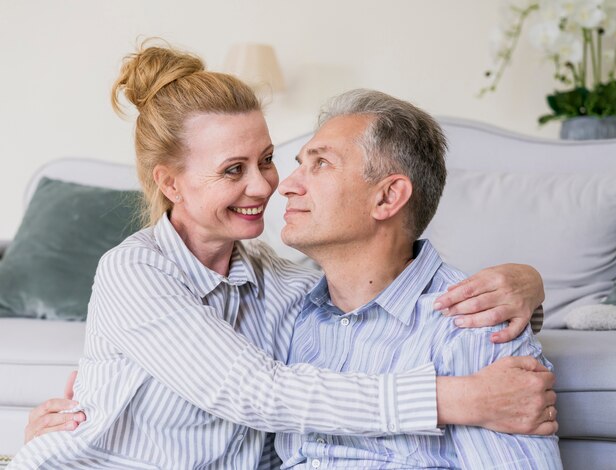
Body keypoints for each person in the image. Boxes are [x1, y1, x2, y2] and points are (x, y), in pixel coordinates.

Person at [11, 43, 554, 469]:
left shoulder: (286, 286)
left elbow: (376, 284)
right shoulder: (134, 270)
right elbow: (254, 391)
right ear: (171, 184)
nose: (269, 186)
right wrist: (457, 400)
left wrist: (528, 287)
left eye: (267, 159)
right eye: (232, 170)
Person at [273, 89, 562, 468]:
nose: (287, 185)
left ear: (388, 197)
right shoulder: (283, 309)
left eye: (321, 163)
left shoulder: (473, 326)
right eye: (299, 164)